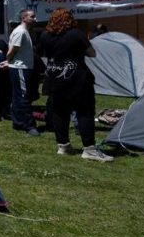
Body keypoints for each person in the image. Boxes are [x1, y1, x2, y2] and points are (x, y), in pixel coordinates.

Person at [37, 8, 114, 162]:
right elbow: (92, 53)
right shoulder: (76, 34)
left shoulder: (45, 35)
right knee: (84, 112)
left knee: (60, 112)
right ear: (70, 19)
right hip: (77, 78)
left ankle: (63, 145)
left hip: (55, 77)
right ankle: (89, 149)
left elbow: (43, 53)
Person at [0, 9, 40, 136]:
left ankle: (18, 122)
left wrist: (10, 62)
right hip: (20, 68)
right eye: (32, 17)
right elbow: (13, 49)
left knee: (18, 96)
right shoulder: (20, 32)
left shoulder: (24, 31)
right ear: (24, 18)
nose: (35, 19)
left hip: (21, 67)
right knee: (23, 97)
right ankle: (29, 126)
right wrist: (8, 60)